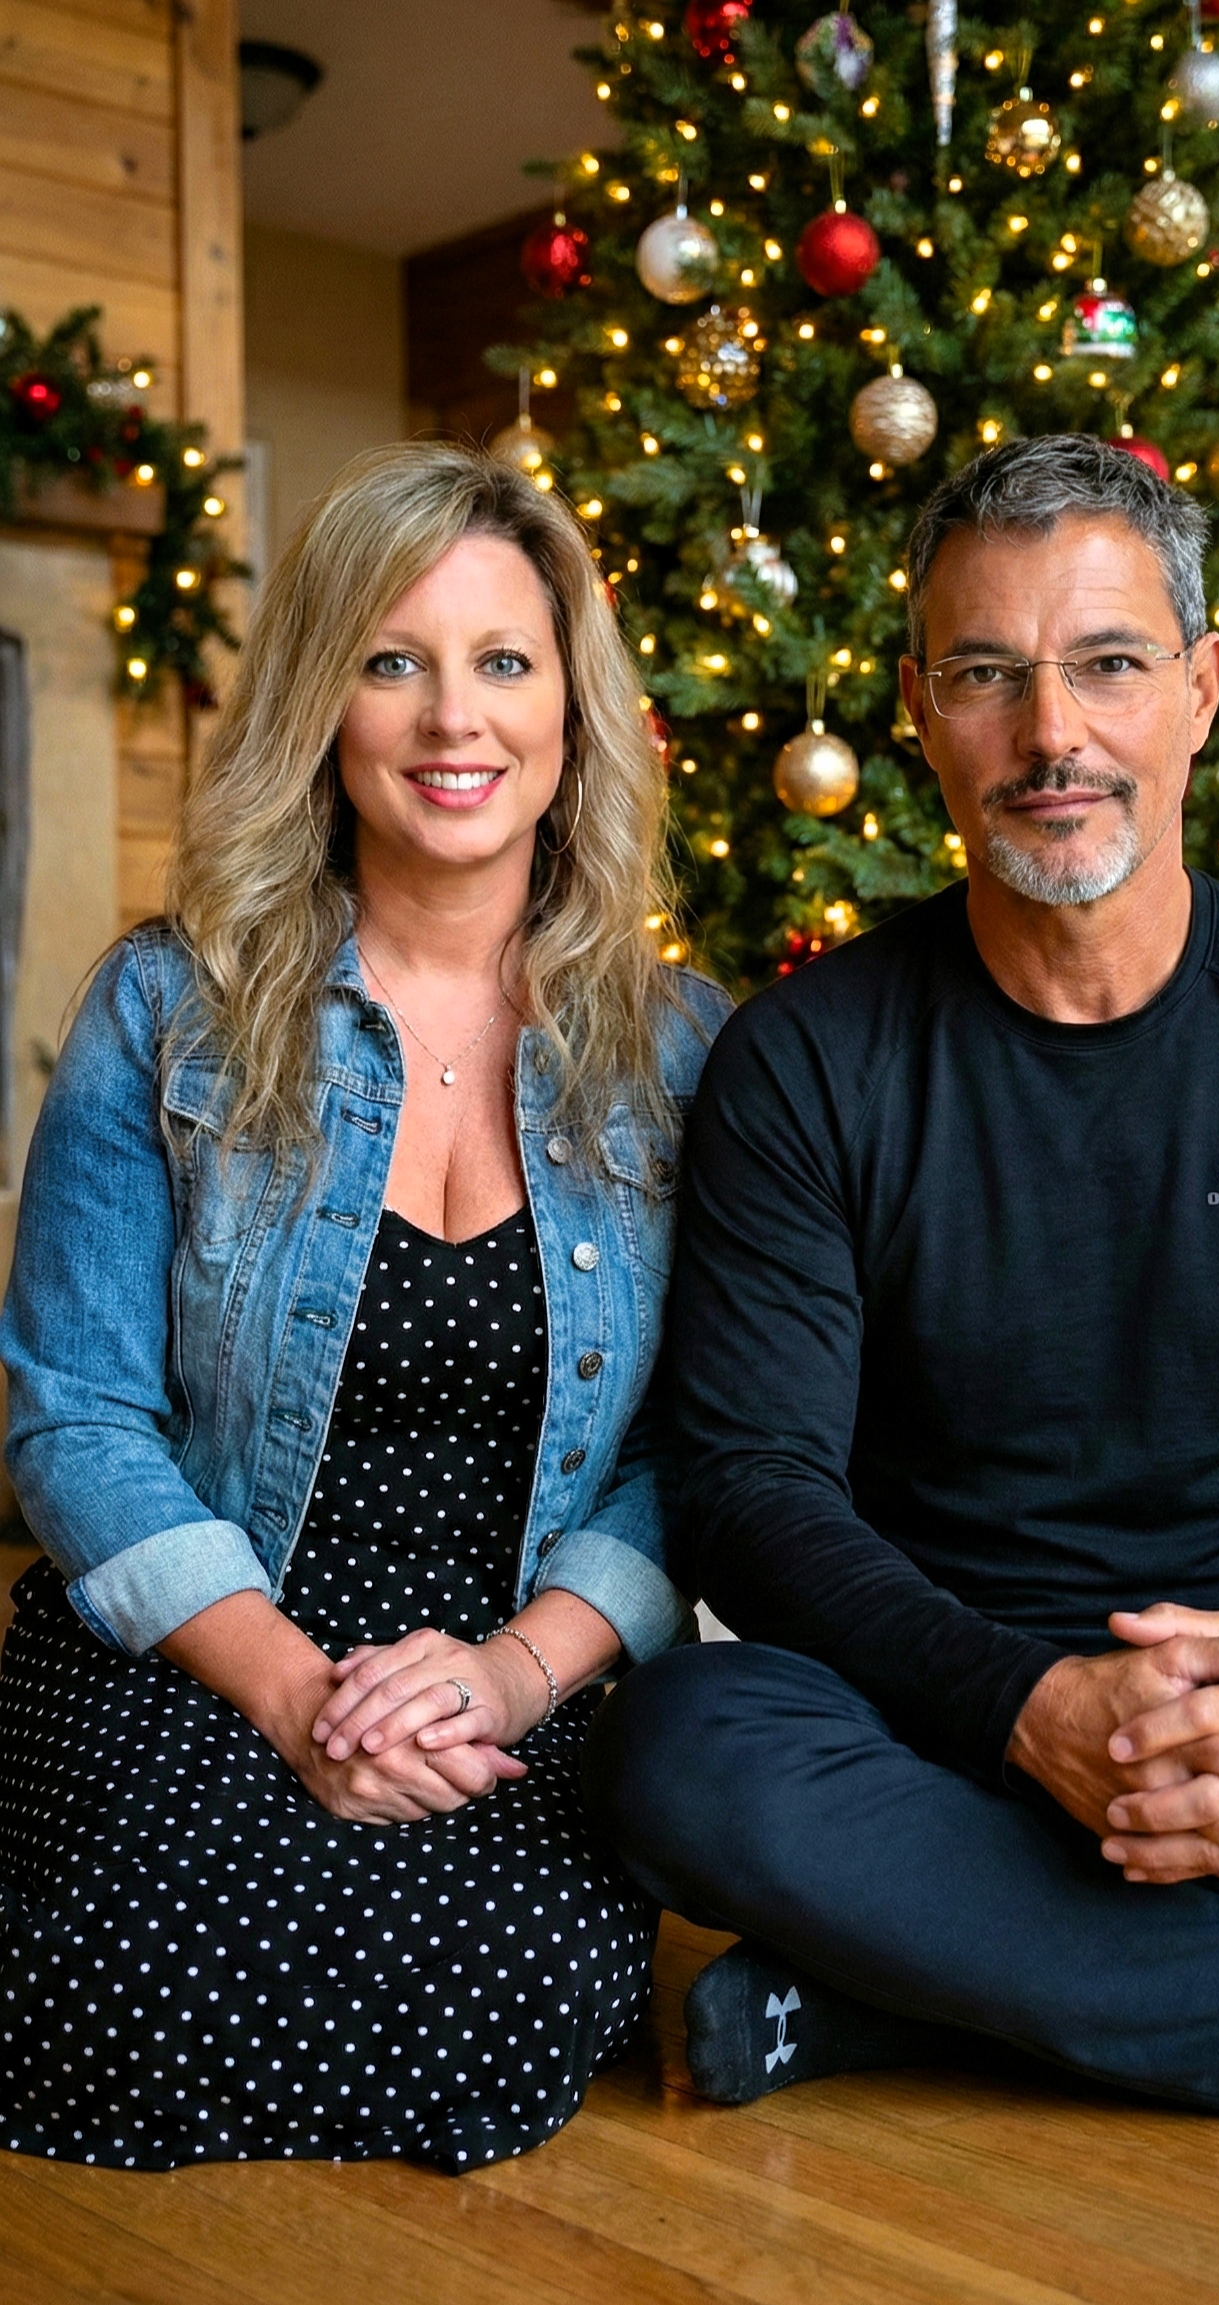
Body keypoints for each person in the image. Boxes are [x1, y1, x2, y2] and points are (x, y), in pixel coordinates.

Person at [583, 435, 1219, 2129]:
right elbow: (750, 1493)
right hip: (940, 1724)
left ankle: (913, 1983)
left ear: (1202, 688)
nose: (1051, 737)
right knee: (684, 1745)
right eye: (985, 675)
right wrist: (1032, 1709)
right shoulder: (806, 1063)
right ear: (913, 705)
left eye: (1107, 665)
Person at [0, 441, 729, 2170]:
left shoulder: (687, 1053)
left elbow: (698, 1452)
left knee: (510, 1998)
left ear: (570, 711)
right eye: (392, 661)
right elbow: (73, 1416)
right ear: (325, 704)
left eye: (502, 662)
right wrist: (286, 1690)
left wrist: (505, 1675)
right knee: (96, 1975)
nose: (449, 718)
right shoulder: (167, 1007)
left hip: (515, 1662)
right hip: (201, 1627)